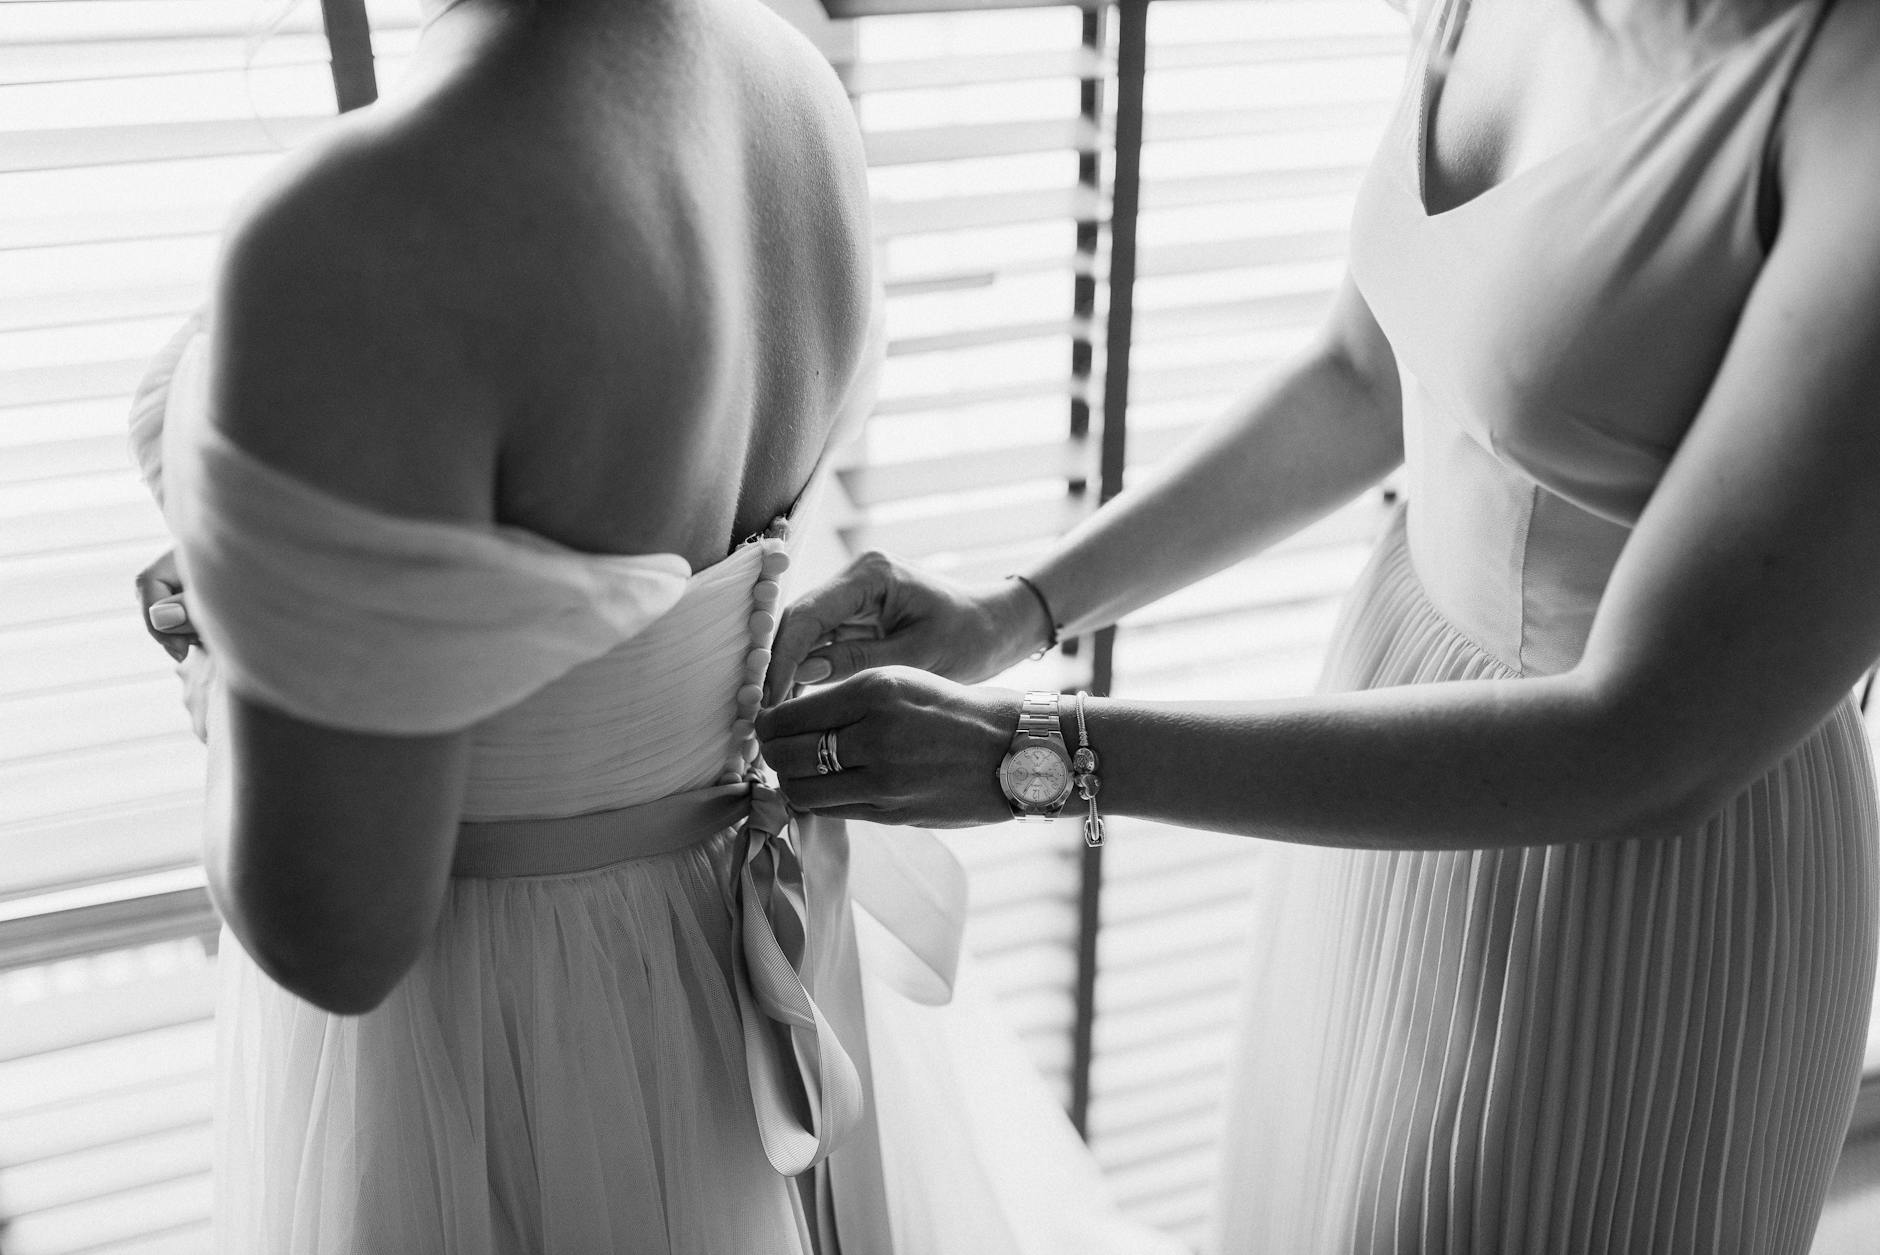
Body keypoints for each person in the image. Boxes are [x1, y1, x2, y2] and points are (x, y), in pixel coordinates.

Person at [755, 0, 1880, 1249]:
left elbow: (1646, 738)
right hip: (1380, 767)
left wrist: (1025, 756)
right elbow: (1361, 372)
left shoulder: (1850, 100)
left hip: (1640, 876)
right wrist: (1015, 608)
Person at [128, 0, 1189, 1250]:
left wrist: (241, 642)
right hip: (726, 964)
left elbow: (329, 928)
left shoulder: (372, 226)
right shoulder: (790, 89)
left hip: (492, 1054)